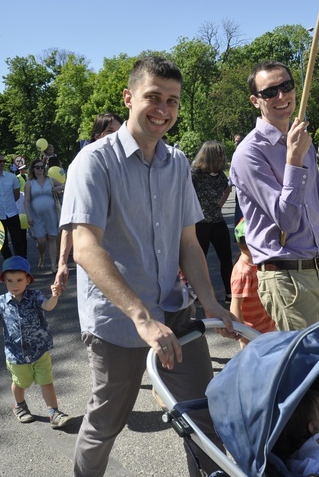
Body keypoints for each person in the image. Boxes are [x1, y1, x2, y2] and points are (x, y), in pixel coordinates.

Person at [59, 55, 236, 476]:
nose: (163, 110)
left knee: (201, 415)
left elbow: (187, 242)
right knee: (106, 423)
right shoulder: (94, 162)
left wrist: (210, 301)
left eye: (172, 101)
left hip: (175, 311)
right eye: (153, 97)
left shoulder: (177, 163)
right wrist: (140, 317)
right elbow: (85, 247)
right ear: (128, 98)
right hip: (119, 322)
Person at [230, 60, 319, 331]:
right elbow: (288, 221)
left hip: (318, 270)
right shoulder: (249, 153)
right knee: (308, 368)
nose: (281, 96)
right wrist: (293, 160)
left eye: (286, 86)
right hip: (285, 276)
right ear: (255, 100)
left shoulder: (303, 141)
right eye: (270, 92)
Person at [0, 256, 72, 428]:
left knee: (46, 381)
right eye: (10, 281)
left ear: (28, 280)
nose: (15, 284)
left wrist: (54, 296)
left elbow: (48, 306)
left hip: (39, 350)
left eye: (20, 280)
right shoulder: (1, 302)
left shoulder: (35, 296)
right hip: (16, 355)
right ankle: (19, 405)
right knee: (20, 383)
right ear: (4, 282)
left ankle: (54, 412)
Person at [56, 114, 123, 288]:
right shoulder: (83, 165)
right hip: (99, 266)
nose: (115, 136)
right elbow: (73, 220)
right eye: (109, 131)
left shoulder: (132, 165)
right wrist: (62, 262)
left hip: (133, 266)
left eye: (119, 131)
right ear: (97, 135)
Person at [191, 140, 234, 303]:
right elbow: (185, 192)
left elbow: (227, 188)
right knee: (198, 261)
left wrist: (219, 205)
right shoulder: (195, 174)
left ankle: (230, 293)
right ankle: (197, 294)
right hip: (200, 223)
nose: (223, 157)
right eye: (220, 154)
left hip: (217, 221)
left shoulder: (220, 174)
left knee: (226, 259)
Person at [229, 218, 276, 348]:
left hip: (267, 328)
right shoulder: (243, 273)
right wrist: (242, 337)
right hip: (252, 334)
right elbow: (235, 306)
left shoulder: (258, 264)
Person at [0, 152, 27, 260]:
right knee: (2, 242)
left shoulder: (12, 178)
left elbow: (16, 196)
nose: (2, 163)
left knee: (18, 240)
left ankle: (21, 263)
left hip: (12, 213)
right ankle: (9, 262)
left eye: (3, 161)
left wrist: (9, 203)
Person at [24, 158, 64, 274]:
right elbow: (26, 200)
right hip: (36, 216)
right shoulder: (29, 183)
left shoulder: (50, 180)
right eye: (37, 167)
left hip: (51, 214)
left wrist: (58, 188)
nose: (40, 169)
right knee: (41, 241)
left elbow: (66, 184)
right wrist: (28, 216)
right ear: (33, 169)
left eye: (42, 167)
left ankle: (53, 265)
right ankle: (42, 255)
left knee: (52, 237)